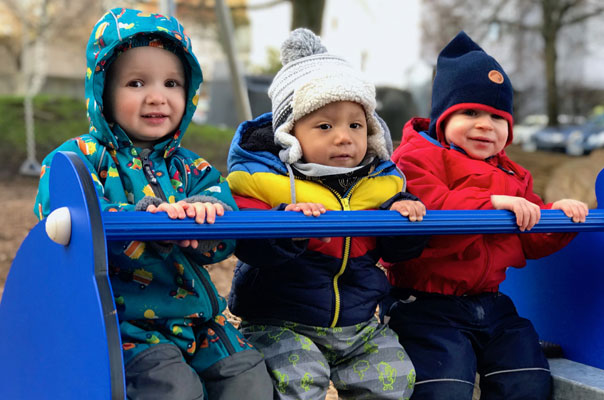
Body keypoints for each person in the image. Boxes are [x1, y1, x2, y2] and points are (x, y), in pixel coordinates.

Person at [34, 8, 272, 400]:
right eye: (137, 82)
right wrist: (146, 217)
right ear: (103, 90)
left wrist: (205, 218)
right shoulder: (80, 158)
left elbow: (223, 220)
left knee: (248, 378)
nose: (157, 97)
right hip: (125, 324)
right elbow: (69, 218)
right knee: (174, 389)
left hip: (198, 322)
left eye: (172, 83)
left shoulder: (192, 167)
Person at [381, 31, 589, 400]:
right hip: (426, 301)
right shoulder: (415, 159)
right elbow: (430, 208)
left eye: (497, 116)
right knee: (444, 385)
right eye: (470, 112)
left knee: (527, 378)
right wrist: (489, 202)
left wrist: (559, 218)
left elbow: (532, 237)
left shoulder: (513, 174)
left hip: (491, 301)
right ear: (442, 118)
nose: (484, 125)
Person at [226, 28, 428, 400]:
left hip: (360, 322)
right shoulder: (260, 180)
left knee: (394, 378)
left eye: (356, 125)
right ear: (289, 132)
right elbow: (247, 243)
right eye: (325, 126)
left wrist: (403, 218)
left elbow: (396, 252)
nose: (344, 137)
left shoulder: (382, 182)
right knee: (300, 378)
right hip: (281, 319)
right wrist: (286, 223)